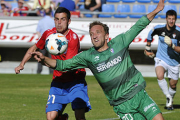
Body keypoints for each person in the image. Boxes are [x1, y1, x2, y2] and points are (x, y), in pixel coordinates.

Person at [31, 0, 165, 119]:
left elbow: (139, 25)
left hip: (139, 94)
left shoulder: (120, 42)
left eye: (98, 32)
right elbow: (63, 64)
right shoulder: (88, 56)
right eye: (91, 34)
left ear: (107, 35)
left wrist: (156, 10)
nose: (94, 36)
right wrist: (44, 60)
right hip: (122, 105)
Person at [15, 7, 91, 120]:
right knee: (51, 117)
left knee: (79, 115)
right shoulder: (48, 34)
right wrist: (22, 64)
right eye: (56, 19)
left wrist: (45, 60)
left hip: (75, 81)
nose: (59, 23)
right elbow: (34, 48)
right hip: (58, 81)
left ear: (69, 21)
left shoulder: (73, 38)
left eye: (63, 19)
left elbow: (67, 66)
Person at [144, 9, 180, 110]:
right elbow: (150, 34)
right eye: (169, 19)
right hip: (161, 58)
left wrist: (172, 46)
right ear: (166, 19)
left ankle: (170, 100)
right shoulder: (159, 29)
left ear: (175, 20)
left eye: (173, 19)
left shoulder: (178, 32)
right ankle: (168, 96)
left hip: (175, 62)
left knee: (173, 84)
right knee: (159, 75)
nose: (171, 21)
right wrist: (148, 48)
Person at [36, 7, 55, 74]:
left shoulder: (41, 21)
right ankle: (51, 72)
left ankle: (39, 71)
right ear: (50, 13)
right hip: (51, 42)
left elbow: (38, 32)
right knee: (51, 58)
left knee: (40, 57)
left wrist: (40, 40)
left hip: (43, 41)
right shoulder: (53, 21)